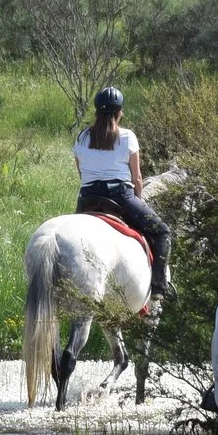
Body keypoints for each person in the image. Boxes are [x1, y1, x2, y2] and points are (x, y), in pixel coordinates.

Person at [72, 86, 171, 307]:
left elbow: (81, 172)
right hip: (120, 195)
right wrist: (139, 198)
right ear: (119, 113)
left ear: (96, 111)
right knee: (162, 231)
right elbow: (137, 179)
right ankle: (158, 287)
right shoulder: (127, 137)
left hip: (88, 197)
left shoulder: (82, 137)